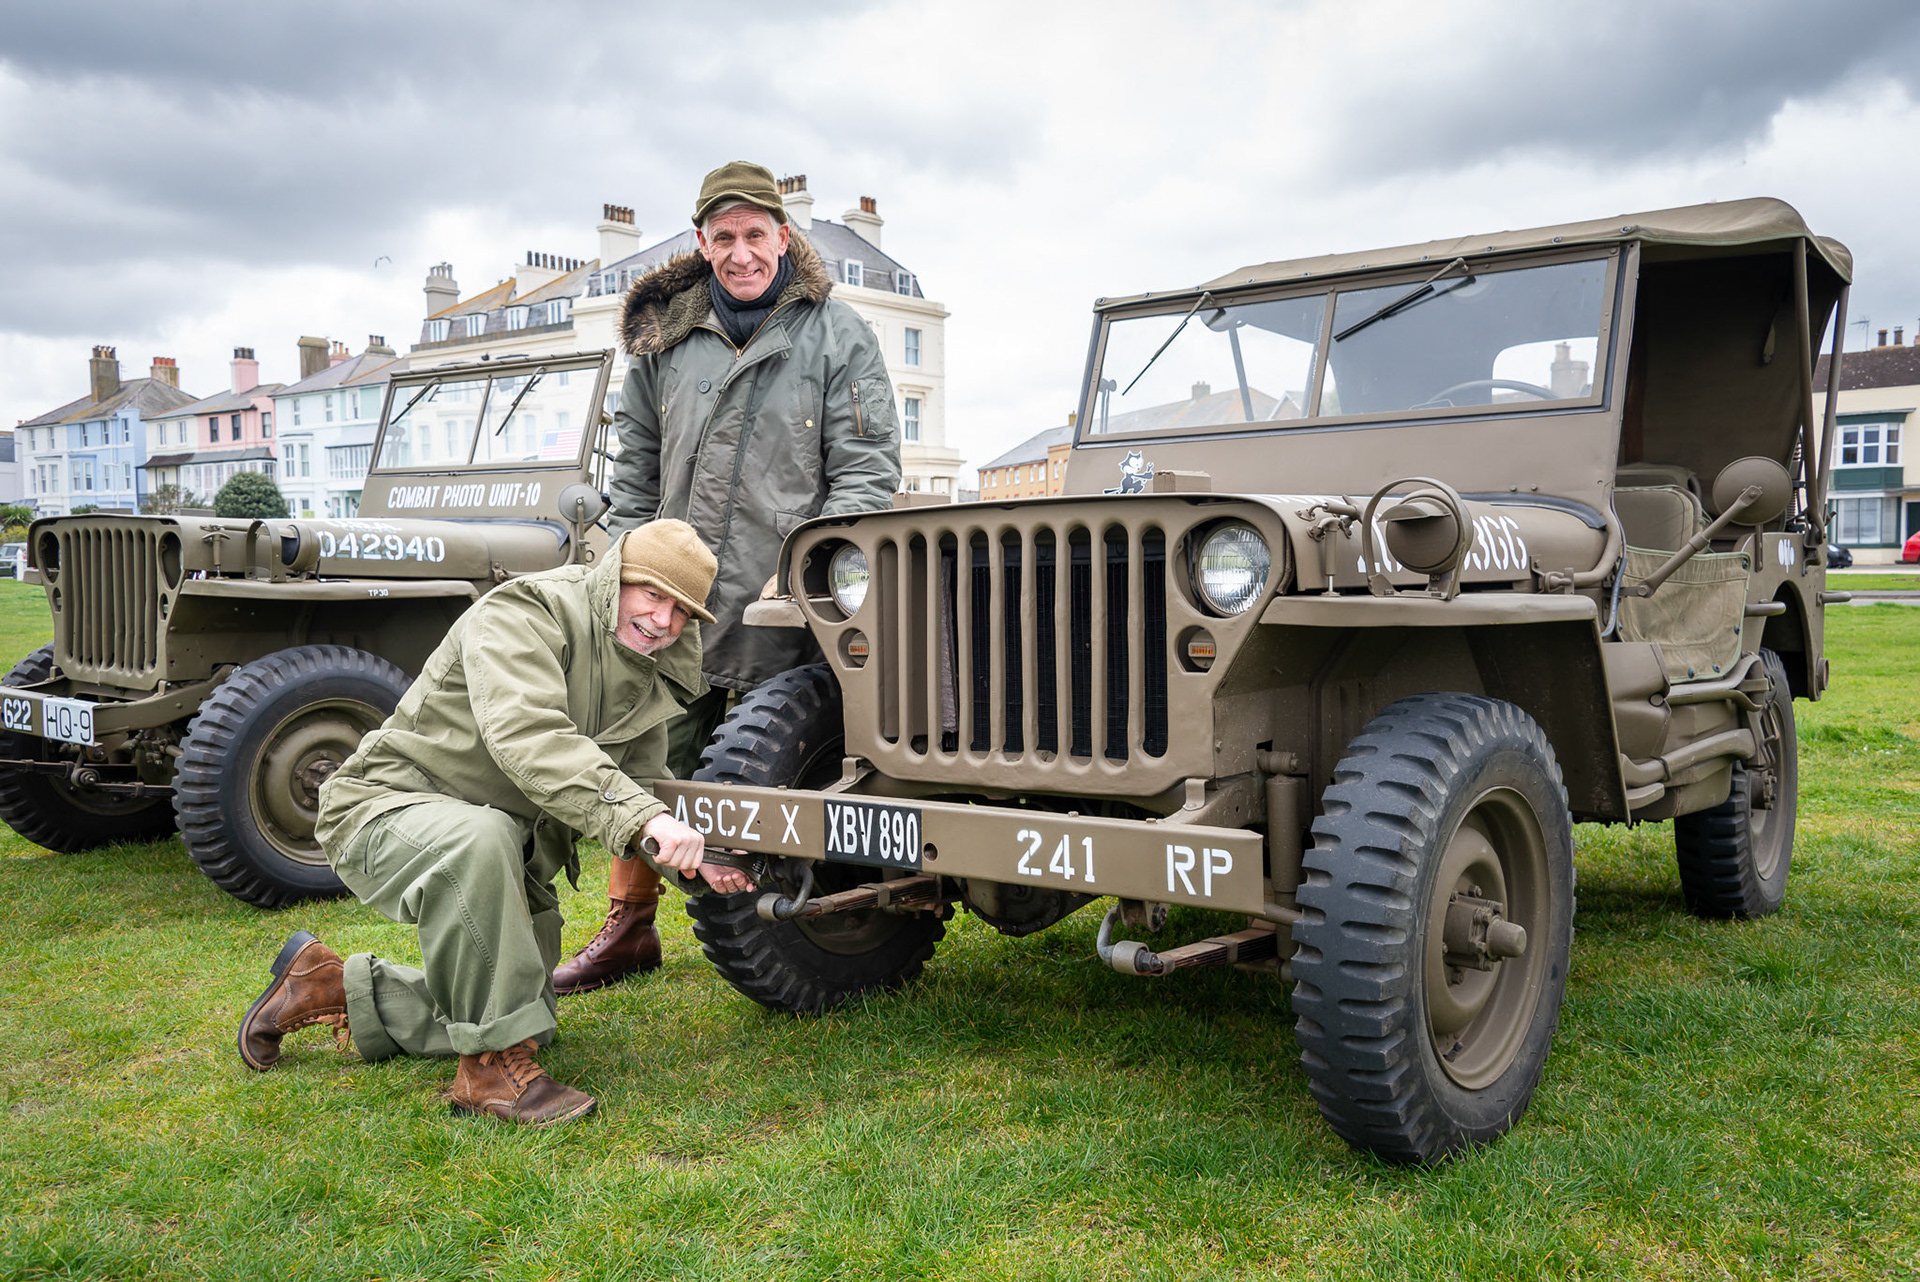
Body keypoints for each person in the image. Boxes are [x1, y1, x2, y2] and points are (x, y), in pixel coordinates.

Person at [236, 520, 751, 1128]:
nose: (663, 620)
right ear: (616, 578)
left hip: (507, 854)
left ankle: (326, 986)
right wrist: (644, 816)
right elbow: (527, 736)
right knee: (483, 851)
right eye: (652, 594)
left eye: (683, 611)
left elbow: (640, 784)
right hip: (386, 807)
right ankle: (487, 1074)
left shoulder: (645, 667)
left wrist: (700, 858)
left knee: (527, 1013)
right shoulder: (525, 612)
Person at [552, 160, 902, 994]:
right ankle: (631, 924)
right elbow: (634, 468)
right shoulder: (663, 341)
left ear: (783, 236)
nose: (741, 253)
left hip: (785, 605)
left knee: (781, 766)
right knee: (644, 758)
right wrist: (629, 568)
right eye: (724, 237)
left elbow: (866, 470)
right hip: (675, 601)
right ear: (702, 243)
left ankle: (800, 926)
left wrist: (812, 567)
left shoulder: (838, 334)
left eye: (755, 234)